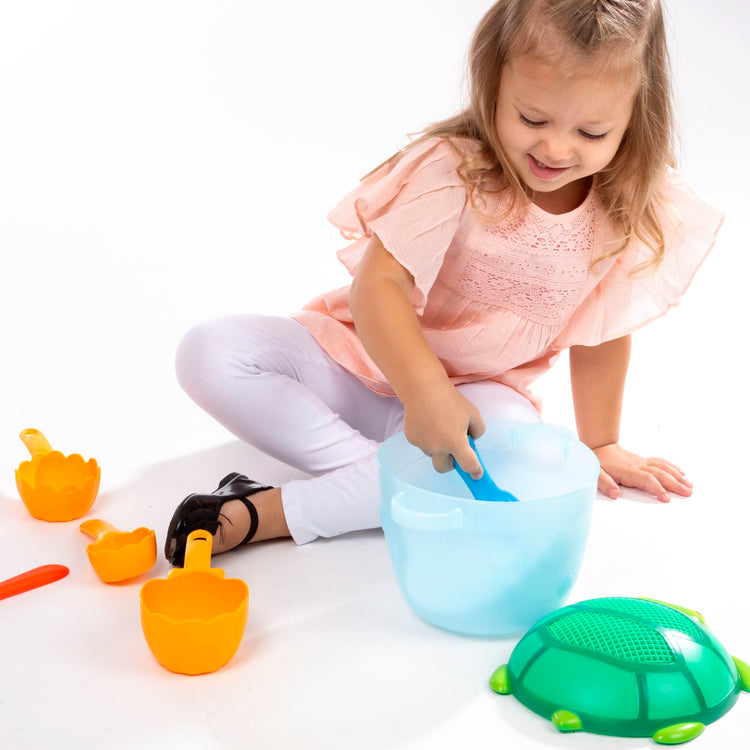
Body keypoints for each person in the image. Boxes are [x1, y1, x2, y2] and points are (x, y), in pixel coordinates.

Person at [165, 0, 722, 566]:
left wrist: (601, 442)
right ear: (493, 86)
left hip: (480, 399)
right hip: (359, 363)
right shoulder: (455, 169)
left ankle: (267, 511)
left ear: (634, 117)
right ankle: (397, 481)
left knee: (511, 459)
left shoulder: (621, 208)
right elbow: (377, 286)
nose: (556, 149)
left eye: (592, 131)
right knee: (209, 352)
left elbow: (602, 332)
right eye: (531, 119)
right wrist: (425, 393)